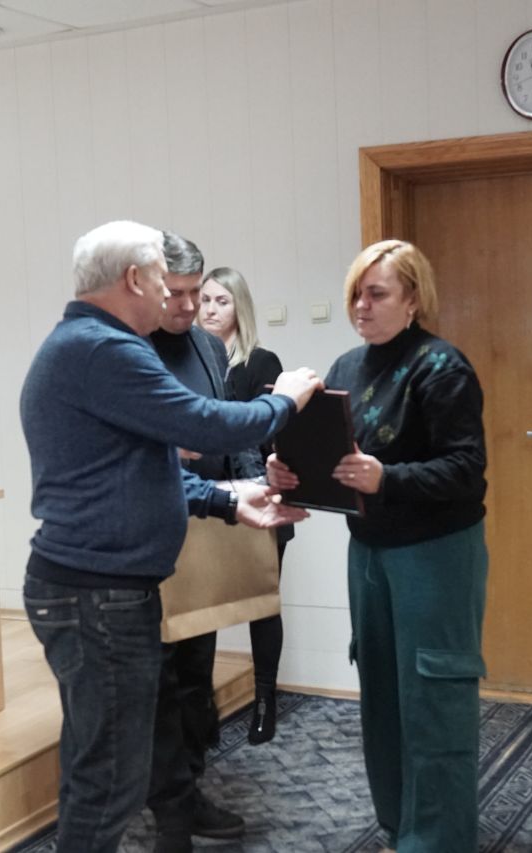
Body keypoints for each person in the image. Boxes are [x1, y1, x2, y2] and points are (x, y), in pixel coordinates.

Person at [20, 220, 321, 853]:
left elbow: (147, 467)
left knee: (100, 770)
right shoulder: (105, 349)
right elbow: (206, 424)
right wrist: (287, 401)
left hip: (98, 588)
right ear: (134, 279)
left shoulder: (90, 343)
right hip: (98, 595)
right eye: (164, 279)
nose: (174, 296)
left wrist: (226, 499)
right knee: (111, 781)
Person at [267, 240, 488, 852]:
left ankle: (439, 841)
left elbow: (467, 471)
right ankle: (397, 827)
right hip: (368, 551)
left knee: (433, 696)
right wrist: (285, 473)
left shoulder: (442, 367)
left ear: (413, 299)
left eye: (376, 294)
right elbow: (333, 459)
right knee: (383, 694)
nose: (361, 306)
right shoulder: (344, 369)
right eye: (355, 295)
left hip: (436, 553)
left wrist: (387, 478)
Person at [145, 237, 266, 852]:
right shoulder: (129, 348)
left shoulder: (206, 345)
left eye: (196, 293)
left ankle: (189, 787)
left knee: (197, 668)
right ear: (149, 285)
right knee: (160, 676)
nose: (189, 305)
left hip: (210, 519)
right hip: (151, 532)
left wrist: (256, 487)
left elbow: (226, 424)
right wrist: (170, 444)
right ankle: (167, 804)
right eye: (176, 293)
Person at [198, 266, 291, 745]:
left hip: (259, 498)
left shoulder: (260, 361)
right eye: (205, 300)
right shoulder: (193, 365)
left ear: (240, 308)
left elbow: (270, 431)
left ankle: (264, 700)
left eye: (222, 301)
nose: (210, 310)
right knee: (202, 608)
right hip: (207, 499)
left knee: (262, 603)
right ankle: (202, 707)